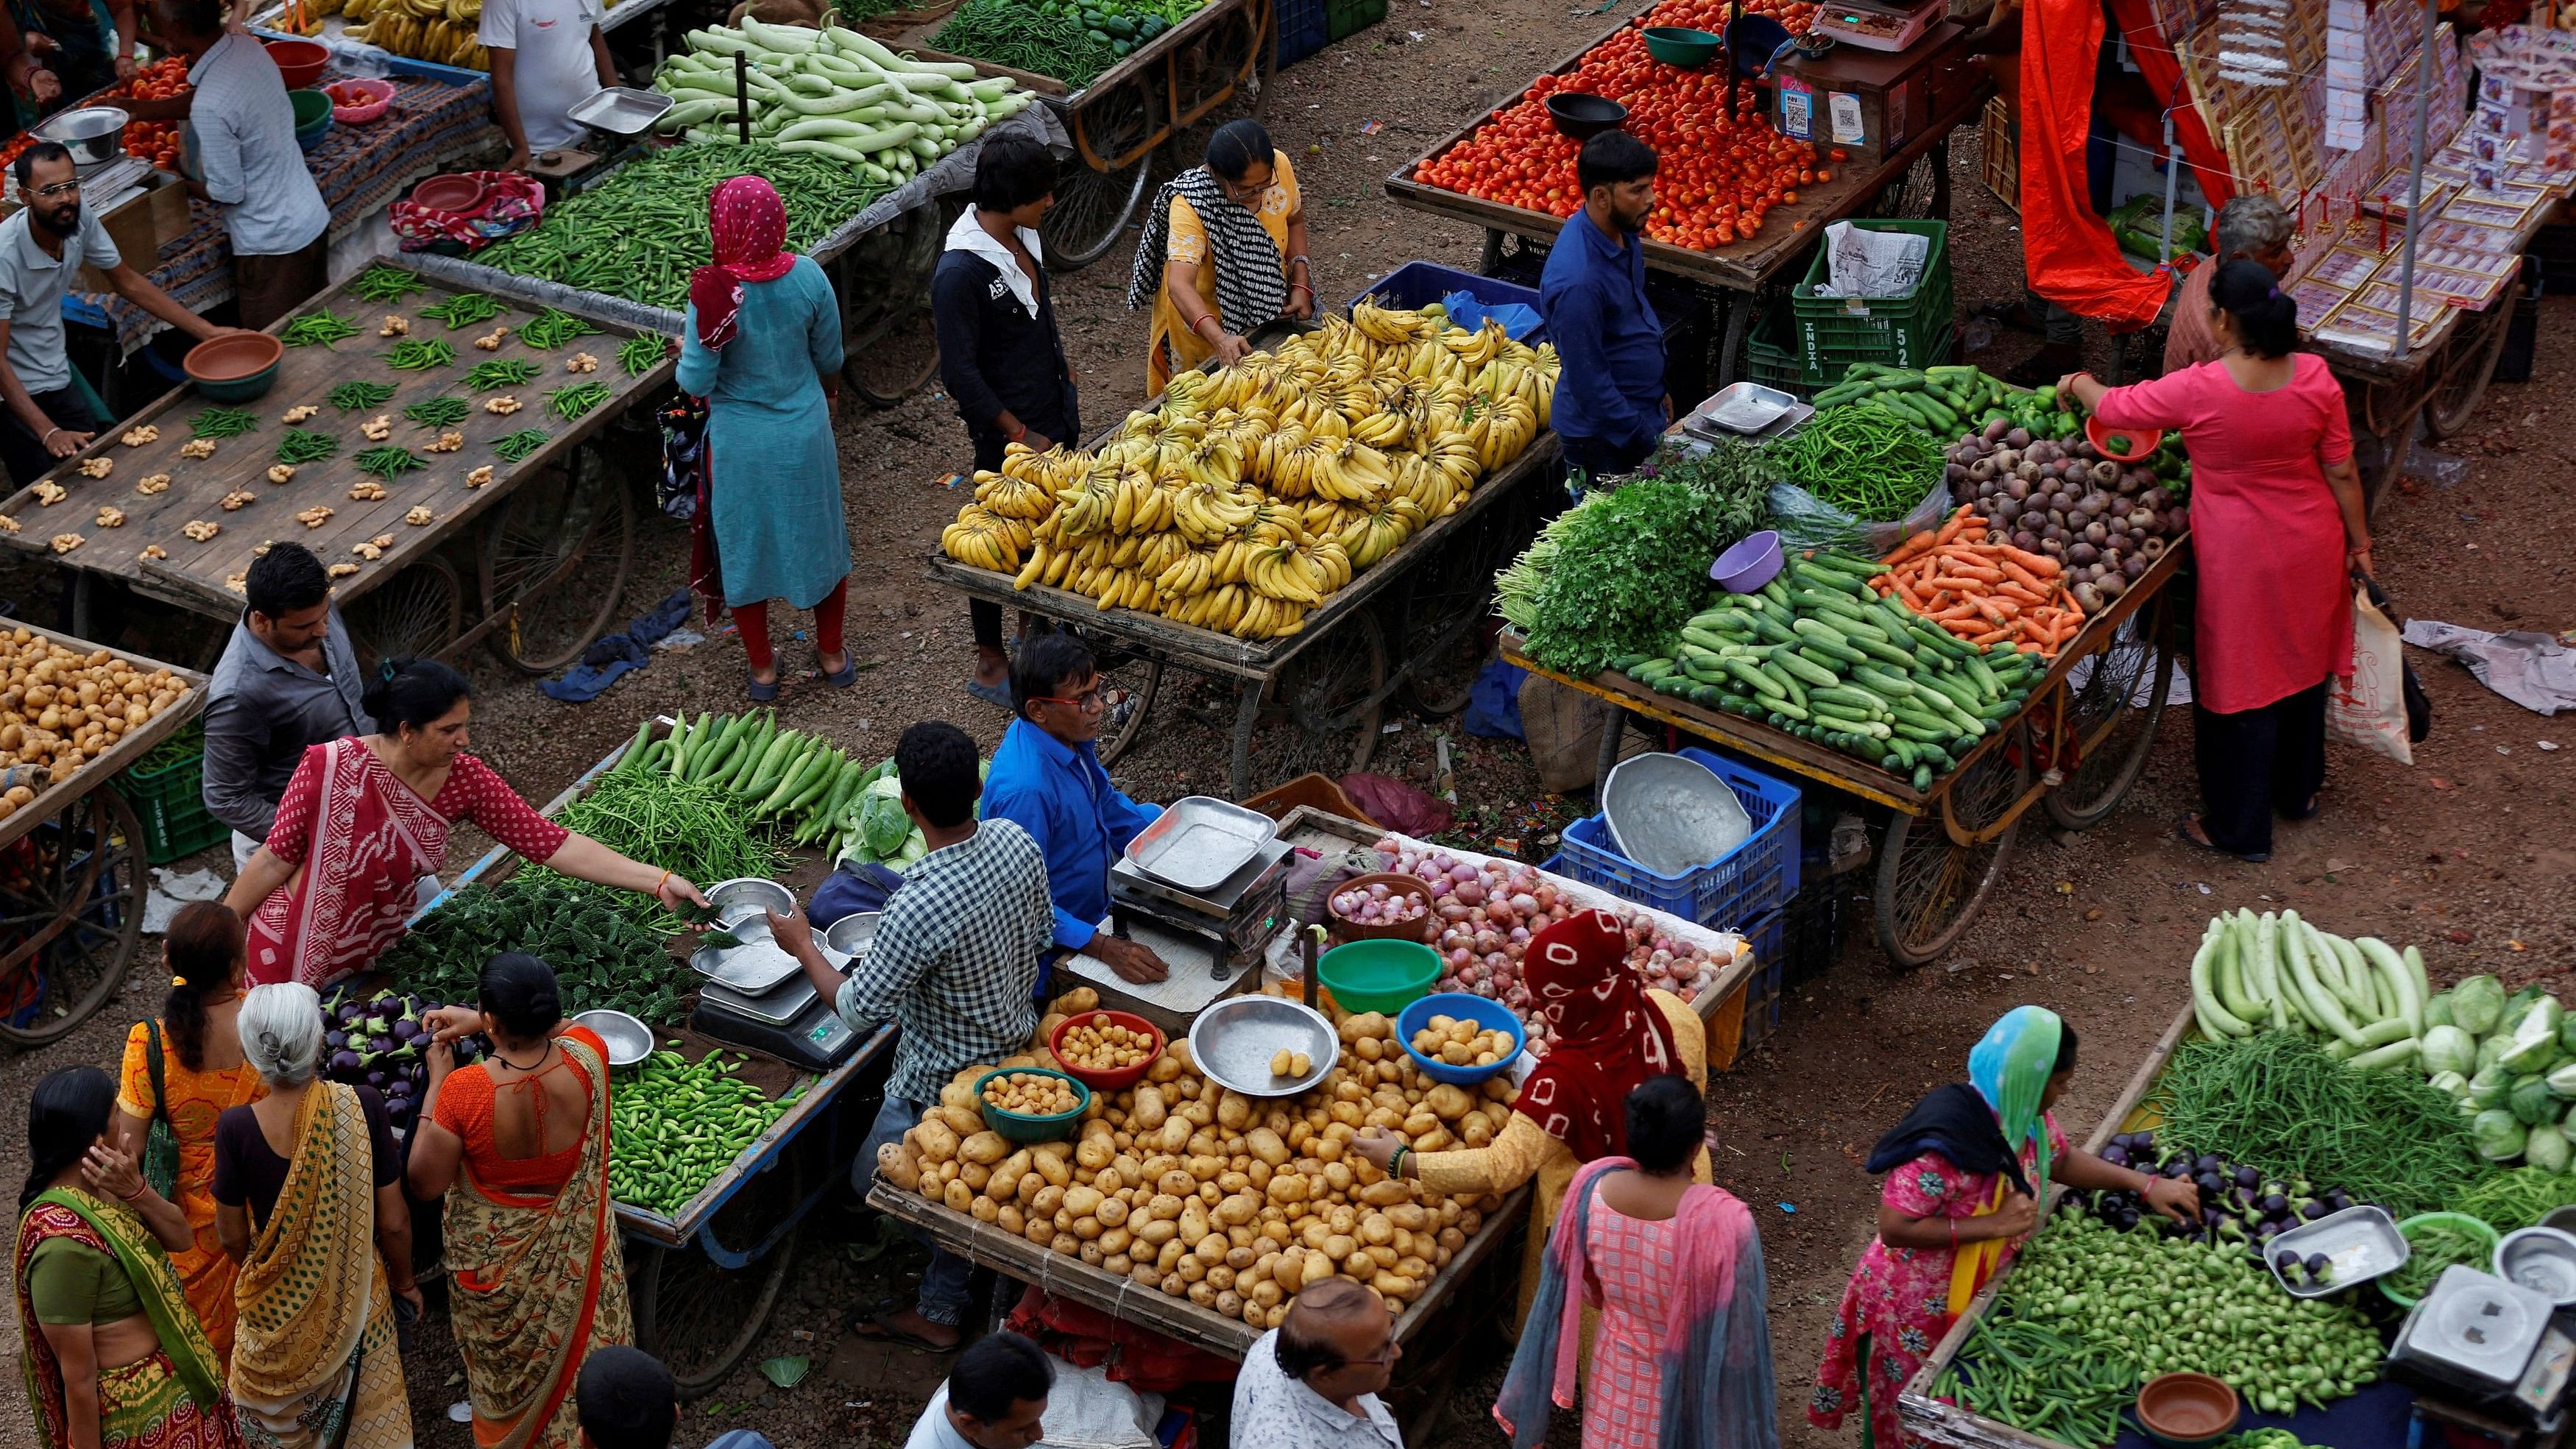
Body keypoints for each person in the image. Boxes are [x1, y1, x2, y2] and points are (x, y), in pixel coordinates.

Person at [2059, 261, 2368, 862]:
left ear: (2223, 318)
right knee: (2304, 667)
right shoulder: (2316, 376)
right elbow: (2343, 471)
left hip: (2241, 556)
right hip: (2313, 543)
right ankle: (2297, 793)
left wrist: (2077, 383)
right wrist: (2361, 547)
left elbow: (2118, 409)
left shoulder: (2203, 387)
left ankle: (2240, 828)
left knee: (2241, 682)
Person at [770, 720, 1055, 1351]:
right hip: (1019, 1054)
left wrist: (801, 948)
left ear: (908, 804)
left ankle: (949, 1295)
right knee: (954, 1189)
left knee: (874, 1180)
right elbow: (1041, 939)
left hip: (941, 1087)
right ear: (976, 791)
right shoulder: (1016, 842)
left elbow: (857, 1008)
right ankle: (953, 1288)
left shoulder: (916, 902)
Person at [1809, 1008, 2201, 1449]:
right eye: (2059, 1083)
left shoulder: (2022, 1113)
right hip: (1915, 1305)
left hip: (1974, 1287)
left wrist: (2145, 1184)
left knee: (1958, 1408)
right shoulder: (1946, 1140)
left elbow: (2064, 1159)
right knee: (1916, 1415)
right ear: (2030, 1080)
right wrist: (1992, 1224)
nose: (2063, 1093)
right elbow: (1897, 1226)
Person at [222, 658, 709, 988]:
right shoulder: (329, 767)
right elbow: (272, 859)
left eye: (465, 725)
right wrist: (216, 932)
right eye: (449, 729)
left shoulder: (465, 781)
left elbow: (552, 844)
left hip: (370, 951)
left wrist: (657, 880)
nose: (464, 740)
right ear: (408, 731)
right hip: (284, 949)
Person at [1348, 907, 1706, 1334]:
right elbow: (1692, 1089)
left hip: (1608, 1227)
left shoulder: (1564, 1083)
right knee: (1685, 1317)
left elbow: (1499, 1167)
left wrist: (1400, 1160)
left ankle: (1591, 1387)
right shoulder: (1669, 1011)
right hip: (1687, 1186)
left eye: (1549, 1002)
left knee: (1616, 1338)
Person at [408, 954, 634, 1449]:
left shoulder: (465, 1091)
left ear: (491, 1021)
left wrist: (438, 1081)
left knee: (506, 1381)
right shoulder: (590, 1056)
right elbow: (569, 1028)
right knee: (583, 1362)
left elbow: (425, 1182)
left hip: (497, 1274)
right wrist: (486, 1021)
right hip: (571, 1261)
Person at [1493, 1076, 1775, 1449]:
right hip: (1690, 1384)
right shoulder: (1724, 1222)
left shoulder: (1590, 1191)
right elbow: (1739, 1333)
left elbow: (1591, 1289)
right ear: (1695, 1148)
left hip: (1615, 1378)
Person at [212, 984, 415, 1449]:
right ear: (318, 1041)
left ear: (252, 1050)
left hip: (273, 1310)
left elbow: (230, 1236)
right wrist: (405, 1282)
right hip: (360, 1300)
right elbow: (394, 1221)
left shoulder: (237, 1127)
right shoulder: (362, 1106)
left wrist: (271, 1274)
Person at [675, 175, 852, 701]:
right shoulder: (809, 277)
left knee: (746, 547)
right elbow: (830, 357)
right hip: (804, 433)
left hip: (741, 443)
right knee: (820, 540)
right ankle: (833, 655)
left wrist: (684, 350)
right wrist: (833, 398)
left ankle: (763, 671)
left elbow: (697, 382)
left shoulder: (712, 293)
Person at [17, 1065, 243, 1449]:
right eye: (115, 1114)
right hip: (133, 1416)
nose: (124, 1124)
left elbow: (181, 1236)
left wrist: (137, 1190)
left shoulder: (108, 1192)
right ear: (95, 1139)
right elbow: (79, 1378)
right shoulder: (61, 1244)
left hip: (172, 1399)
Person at [933, 133, 1079, 711]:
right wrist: (1019, 433)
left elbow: (1040, 316)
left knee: (1045, 526)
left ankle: (1032, 634)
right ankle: (990, 657)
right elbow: (960, 375)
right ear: (1011, 196)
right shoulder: (959, 273)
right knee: (992, 537)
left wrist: (1064, 378)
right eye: (1041, 193)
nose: (1050, 201)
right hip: (1009, 432)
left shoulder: (1024, 237)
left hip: (1051, 409)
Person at [0, 140, 234, 486]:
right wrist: (48, 431)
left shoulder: (78, 221)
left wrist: (208, 332)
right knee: (43, 492)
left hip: (51, 365)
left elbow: (128, 283)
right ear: (25, 197)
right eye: (50, 191)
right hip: (8, 389)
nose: (65, 198)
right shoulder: (5, 256)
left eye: (70, 186)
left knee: (97, 465)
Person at [111, 903, 269, 1366]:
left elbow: (130, 1148)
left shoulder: (150, 1043)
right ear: (238, 968)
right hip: (268, 1196)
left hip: (190, 1228)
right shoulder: (266, 1022)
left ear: (167, 960)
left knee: (207, 1346)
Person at [126, 0, 329, 328]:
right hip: (310, 218)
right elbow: (208, 96)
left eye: (154, 21)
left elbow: (228, 192)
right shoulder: (247, 49)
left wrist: (175, 181)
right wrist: (138, 109)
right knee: (316, 327)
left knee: (277, 348)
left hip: (272, 245)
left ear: (177, 29)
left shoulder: (210, 107)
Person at [980, 631, 1167, 986]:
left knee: (1158, 818)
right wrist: (1103, 947)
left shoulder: (1068, 736)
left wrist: (1166, 849)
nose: (1098, 707)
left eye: (1097, 691)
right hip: (1050, 946)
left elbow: (1107, 804)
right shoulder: (1027, 793)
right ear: (1038, 710)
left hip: (1098, 902)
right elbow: (1023, 906)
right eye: (1082, 699)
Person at [199, 543, 372, 871]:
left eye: (323, 616)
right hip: (295, 848)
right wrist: (312, 836)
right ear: (264, 621)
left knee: (424, 911)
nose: (322, 630)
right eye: (304, 627)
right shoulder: (239, 695)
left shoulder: (313, 610)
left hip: (363, 807)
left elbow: (351, 697)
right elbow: (225, 797)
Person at [1128, 118, 1312, 392]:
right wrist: (1220, 338)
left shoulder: (1279, 166)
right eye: (1246, 190)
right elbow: (1179, 285)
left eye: (1264, 184)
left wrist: (1300, 282)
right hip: (1205, 324)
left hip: (1269, 306)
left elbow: (1294, 221)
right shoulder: (1191, 205)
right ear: (1217, 175)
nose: (1258, 195)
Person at [1539, 130, 1669, 481]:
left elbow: (1631, 317)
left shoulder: (1621, 231)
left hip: (1638, 411)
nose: (1651, 198)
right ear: (1601, 196)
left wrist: (1656, 394)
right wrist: (1641, 435)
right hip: (1604, 438)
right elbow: (1588, 381)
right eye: (1638, 190)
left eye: (1650, 186)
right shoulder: (1578, 282)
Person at [1230, 1279, 1404, 1449]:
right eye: (1378, 1353)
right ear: (1325, 1374)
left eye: (1389, 1336)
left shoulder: (1279, 1340)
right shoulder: (1288, 1442)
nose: (1397, 1352)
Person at [2162, 195, 2294, 375]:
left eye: (2286, 247)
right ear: (2239, 259)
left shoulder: (2214, 264)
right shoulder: (2223, 341)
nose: (2290, 259)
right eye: (2276, 252)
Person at [476, 0, 613, 171]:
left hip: (595, 128)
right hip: (540, 147)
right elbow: (501, 80)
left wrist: (617, 99)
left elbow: (595, 37)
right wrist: (520, 148)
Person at [899, 1331, 1052, 1449]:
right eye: (1021, 1429)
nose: (1039, 1435)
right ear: (970, 1425)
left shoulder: (968, 1394)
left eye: (1037, 1419)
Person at [10, 0, 141, 107]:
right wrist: (24, 41)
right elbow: (9, 52)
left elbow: (122, 8)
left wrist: (126, 55)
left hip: (90, 61)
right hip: (32, 83)